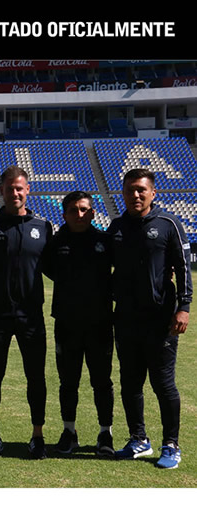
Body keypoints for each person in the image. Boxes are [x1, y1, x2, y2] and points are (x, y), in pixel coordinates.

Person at [108, 168, 192, 469]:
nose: (136, 195)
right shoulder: (116, 227)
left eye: (142, 190)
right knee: (130, 383)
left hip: (160, 320)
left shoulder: (169, 224)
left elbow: (183, 268)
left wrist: (184, 307)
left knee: (163, 384)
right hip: (126, 319)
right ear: (123, 192)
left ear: (153, 193)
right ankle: (139, 440)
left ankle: (172, 444)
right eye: (130, 189)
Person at [0, 165, 52, 459]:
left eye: (20, 188)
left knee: (36, 377)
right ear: (2, 190)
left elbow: (60, 268)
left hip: (32, 317)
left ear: (27, 189)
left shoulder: (43, 227)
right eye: (9, 188)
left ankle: (37, 436)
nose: (15, 193)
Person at [42, 191, 114, 456]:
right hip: (67, 323)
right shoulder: (56, 242)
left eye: (84, 209)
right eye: (74, 210)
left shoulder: (105, 242)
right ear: (64, 214)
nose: (80, 214)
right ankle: (68, 432)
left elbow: (128, 267)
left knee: (102, 382)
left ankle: (105, 433)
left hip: (100, 324)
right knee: (68, 382)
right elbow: (47, 268)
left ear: (93, 212)